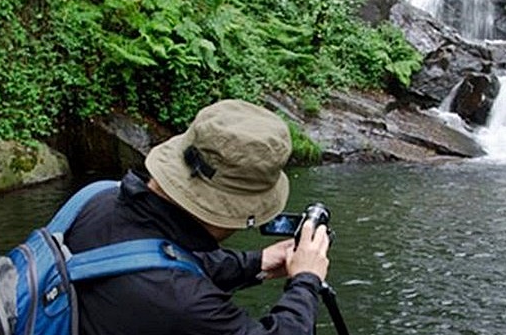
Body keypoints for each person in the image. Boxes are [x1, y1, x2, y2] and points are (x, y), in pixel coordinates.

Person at [65, 99, 331, 334]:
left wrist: (258, 264)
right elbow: (167, 283)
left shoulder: (96, 198)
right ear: (230, 211)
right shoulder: (184, 304)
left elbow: (156, 256)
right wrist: (305, 281)